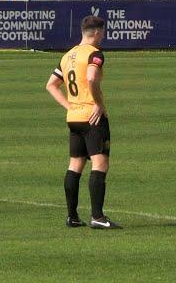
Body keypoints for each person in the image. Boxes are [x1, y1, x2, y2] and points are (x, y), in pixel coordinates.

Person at [45, 15, 122, 229]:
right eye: (103, 33)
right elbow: (91, 78)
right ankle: (97, 216)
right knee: (100, 164)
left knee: (75, 164)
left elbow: (51, 85)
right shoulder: (94, 54)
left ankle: (72, 216)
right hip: (92, 118)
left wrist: (70, 106)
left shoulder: (68, 55)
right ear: (97, 32)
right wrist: (97, 103)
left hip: (74, 118)